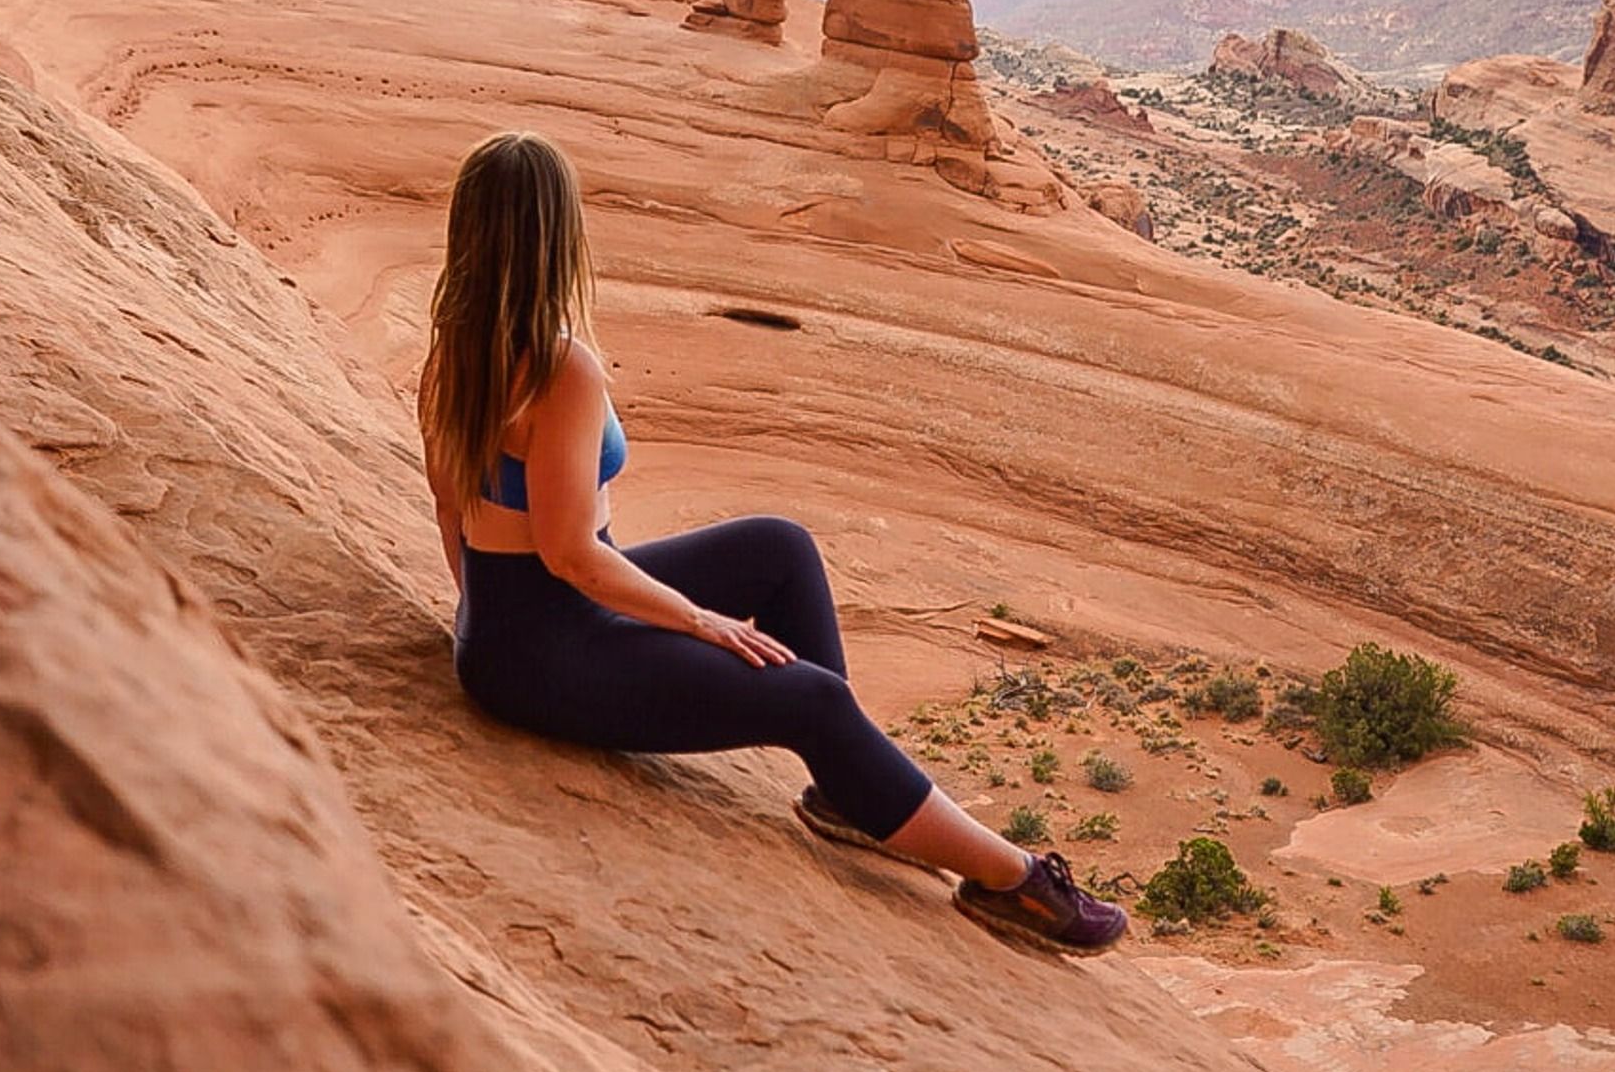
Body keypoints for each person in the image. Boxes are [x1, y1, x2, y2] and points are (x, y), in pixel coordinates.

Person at [417, 130, 1128, 956]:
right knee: (810, 699)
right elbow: (571, 554)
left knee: (778, 550)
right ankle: (1016, 884)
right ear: (558, 233)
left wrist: (479, 623)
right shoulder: (559, 368)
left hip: (511, 629)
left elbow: (450, 510)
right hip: (550, 645)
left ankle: (848, 791)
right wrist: (698, 621)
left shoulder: (455, 352)